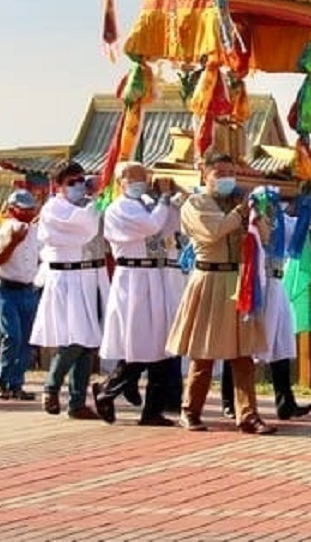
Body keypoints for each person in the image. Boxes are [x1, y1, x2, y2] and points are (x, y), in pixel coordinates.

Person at [166, 151, 276, 434]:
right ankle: (190, 410)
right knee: (204, 352)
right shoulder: (196, 203)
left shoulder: (239, 203)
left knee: (243, 353)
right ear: (205, 175)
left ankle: (248, 415)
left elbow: (264, 236)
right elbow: (213, 230)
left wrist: (257, 213)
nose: (227, 179)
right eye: (220, 173)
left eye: (231, 173)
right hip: (210, 278)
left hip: (239, 280)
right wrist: (240, 211)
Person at [92, 164, 183, 426]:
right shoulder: (120, 209)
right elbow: (151, 226)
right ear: (121, 181)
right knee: (141, 347)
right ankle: (108, 390)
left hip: (157, 277)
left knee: (163, 349)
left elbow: (168, 228)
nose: (141, 182)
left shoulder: (146, 204)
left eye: (144, 177)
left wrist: (174, 201)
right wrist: (164, 200)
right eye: (135, 178)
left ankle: (152, 411)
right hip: (134, 280)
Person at [220, 198, 311, 422]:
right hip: (255, 284)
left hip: (277, 283)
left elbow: (296, 240)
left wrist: (303, 209)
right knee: (244, 343)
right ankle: (230, 401)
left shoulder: (282, 220)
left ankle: (285, 402)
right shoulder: (249, 216)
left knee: (281, 343)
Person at [31, 160, 109, 420]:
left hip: (88, 276)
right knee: (75, 339)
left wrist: (102, 192)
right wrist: (95, 196)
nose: (78, 186)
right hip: (66, 279)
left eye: (80, 180)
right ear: (58, 185)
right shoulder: (54, 208)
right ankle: (51, 386)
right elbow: (84, 227)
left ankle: (77, 402)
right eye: (71, 182)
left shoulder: (86, 205)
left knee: (88, 343)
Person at [0, 189, 42, 401]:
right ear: (12, 210)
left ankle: (16, 384)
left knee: (26, 340)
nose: (28, 213)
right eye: (23, 209)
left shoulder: (36, 231)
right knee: (12, 336)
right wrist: (13, 241)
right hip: (6, 290)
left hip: (29, 290)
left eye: (31, 209)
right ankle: (2, 382)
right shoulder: (1, 230)